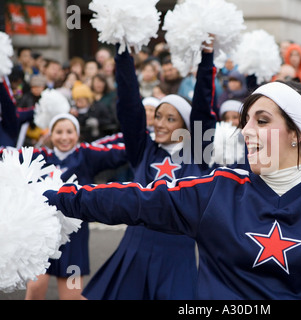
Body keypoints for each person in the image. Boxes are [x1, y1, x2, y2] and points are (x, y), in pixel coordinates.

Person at [44, 79, 301, 300]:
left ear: (296, 135)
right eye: (246, 121)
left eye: (261, 120)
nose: (246, 131)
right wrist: (52, 197)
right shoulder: (215, 191)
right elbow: (132, 200)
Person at [75, 40, 218, 300]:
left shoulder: (198, 153)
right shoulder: (143, 148)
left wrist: (206, 58)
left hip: (178, 255)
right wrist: (124, 56)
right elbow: (129, 106)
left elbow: (204, 107)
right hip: (136, 248)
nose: (160, 124)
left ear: (187, 127)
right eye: (159, 116)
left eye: (170, 119)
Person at [0, 104, 128, 299]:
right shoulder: (41, 157)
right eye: (59, 132)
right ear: (51, 134)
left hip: (75, 243)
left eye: (70, 131)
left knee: (72, 296)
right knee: (34, 289)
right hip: (43, 239)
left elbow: (120, 152)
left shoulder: (86, 154)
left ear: (77, 134)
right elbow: (8, 155)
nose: (64, 137)